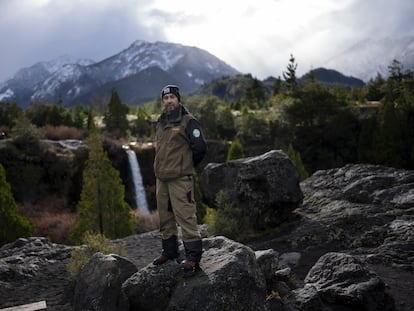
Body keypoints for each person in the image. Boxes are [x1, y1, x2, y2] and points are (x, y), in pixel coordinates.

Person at [153, 84, 207, 273]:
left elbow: (200, 148)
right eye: (165, 98)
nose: (169, 101)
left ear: (178, 99)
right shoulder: (160, 122)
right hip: (162, 179)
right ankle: (169, 252)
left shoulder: (189, 122)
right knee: (165, 218)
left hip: (180, 179)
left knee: (185, 217)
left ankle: (193, 258)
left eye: (172, 98)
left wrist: (186, 166)